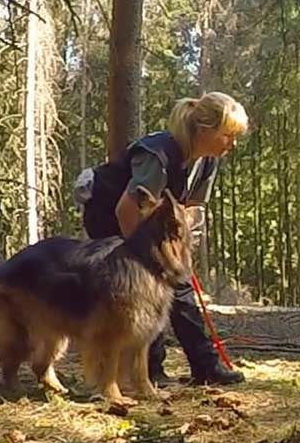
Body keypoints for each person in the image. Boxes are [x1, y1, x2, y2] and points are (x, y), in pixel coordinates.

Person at [75, 92, 249, 386]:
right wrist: (146, 262)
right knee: (140, 292)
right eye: (227, 135)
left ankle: (205, 366)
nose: (232, 144)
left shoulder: (207, 161)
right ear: (204, 130)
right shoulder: (158, 156)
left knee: (179, 286)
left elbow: (191, 207)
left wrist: (180, 248)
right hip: (111, 217)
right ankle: (149, 371)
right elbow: (126, 210)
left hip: (152, 227)